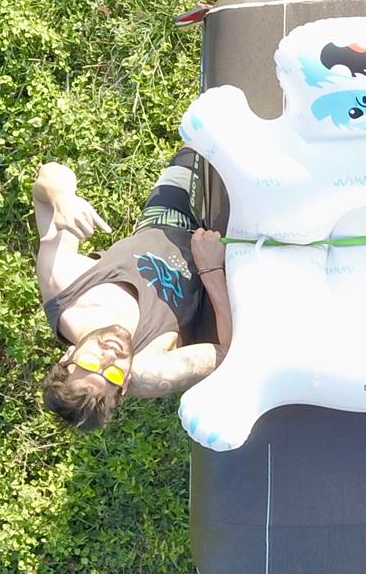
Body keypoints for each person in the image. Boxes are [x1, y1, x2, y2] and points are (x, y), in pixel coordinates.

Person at [33, 150, 231, 432]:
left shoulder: (62, 284)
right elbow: (231, 354)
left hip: (169, 220)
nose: (109, 357)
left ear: (68, 357)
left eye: (89, 363)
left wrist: (62, 196)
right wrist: (212, 271)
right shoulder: (151, 370)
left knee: (206, 141)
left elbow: (48, 177)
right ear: (125, 384)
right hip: (230, 274)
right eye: (112, 375)